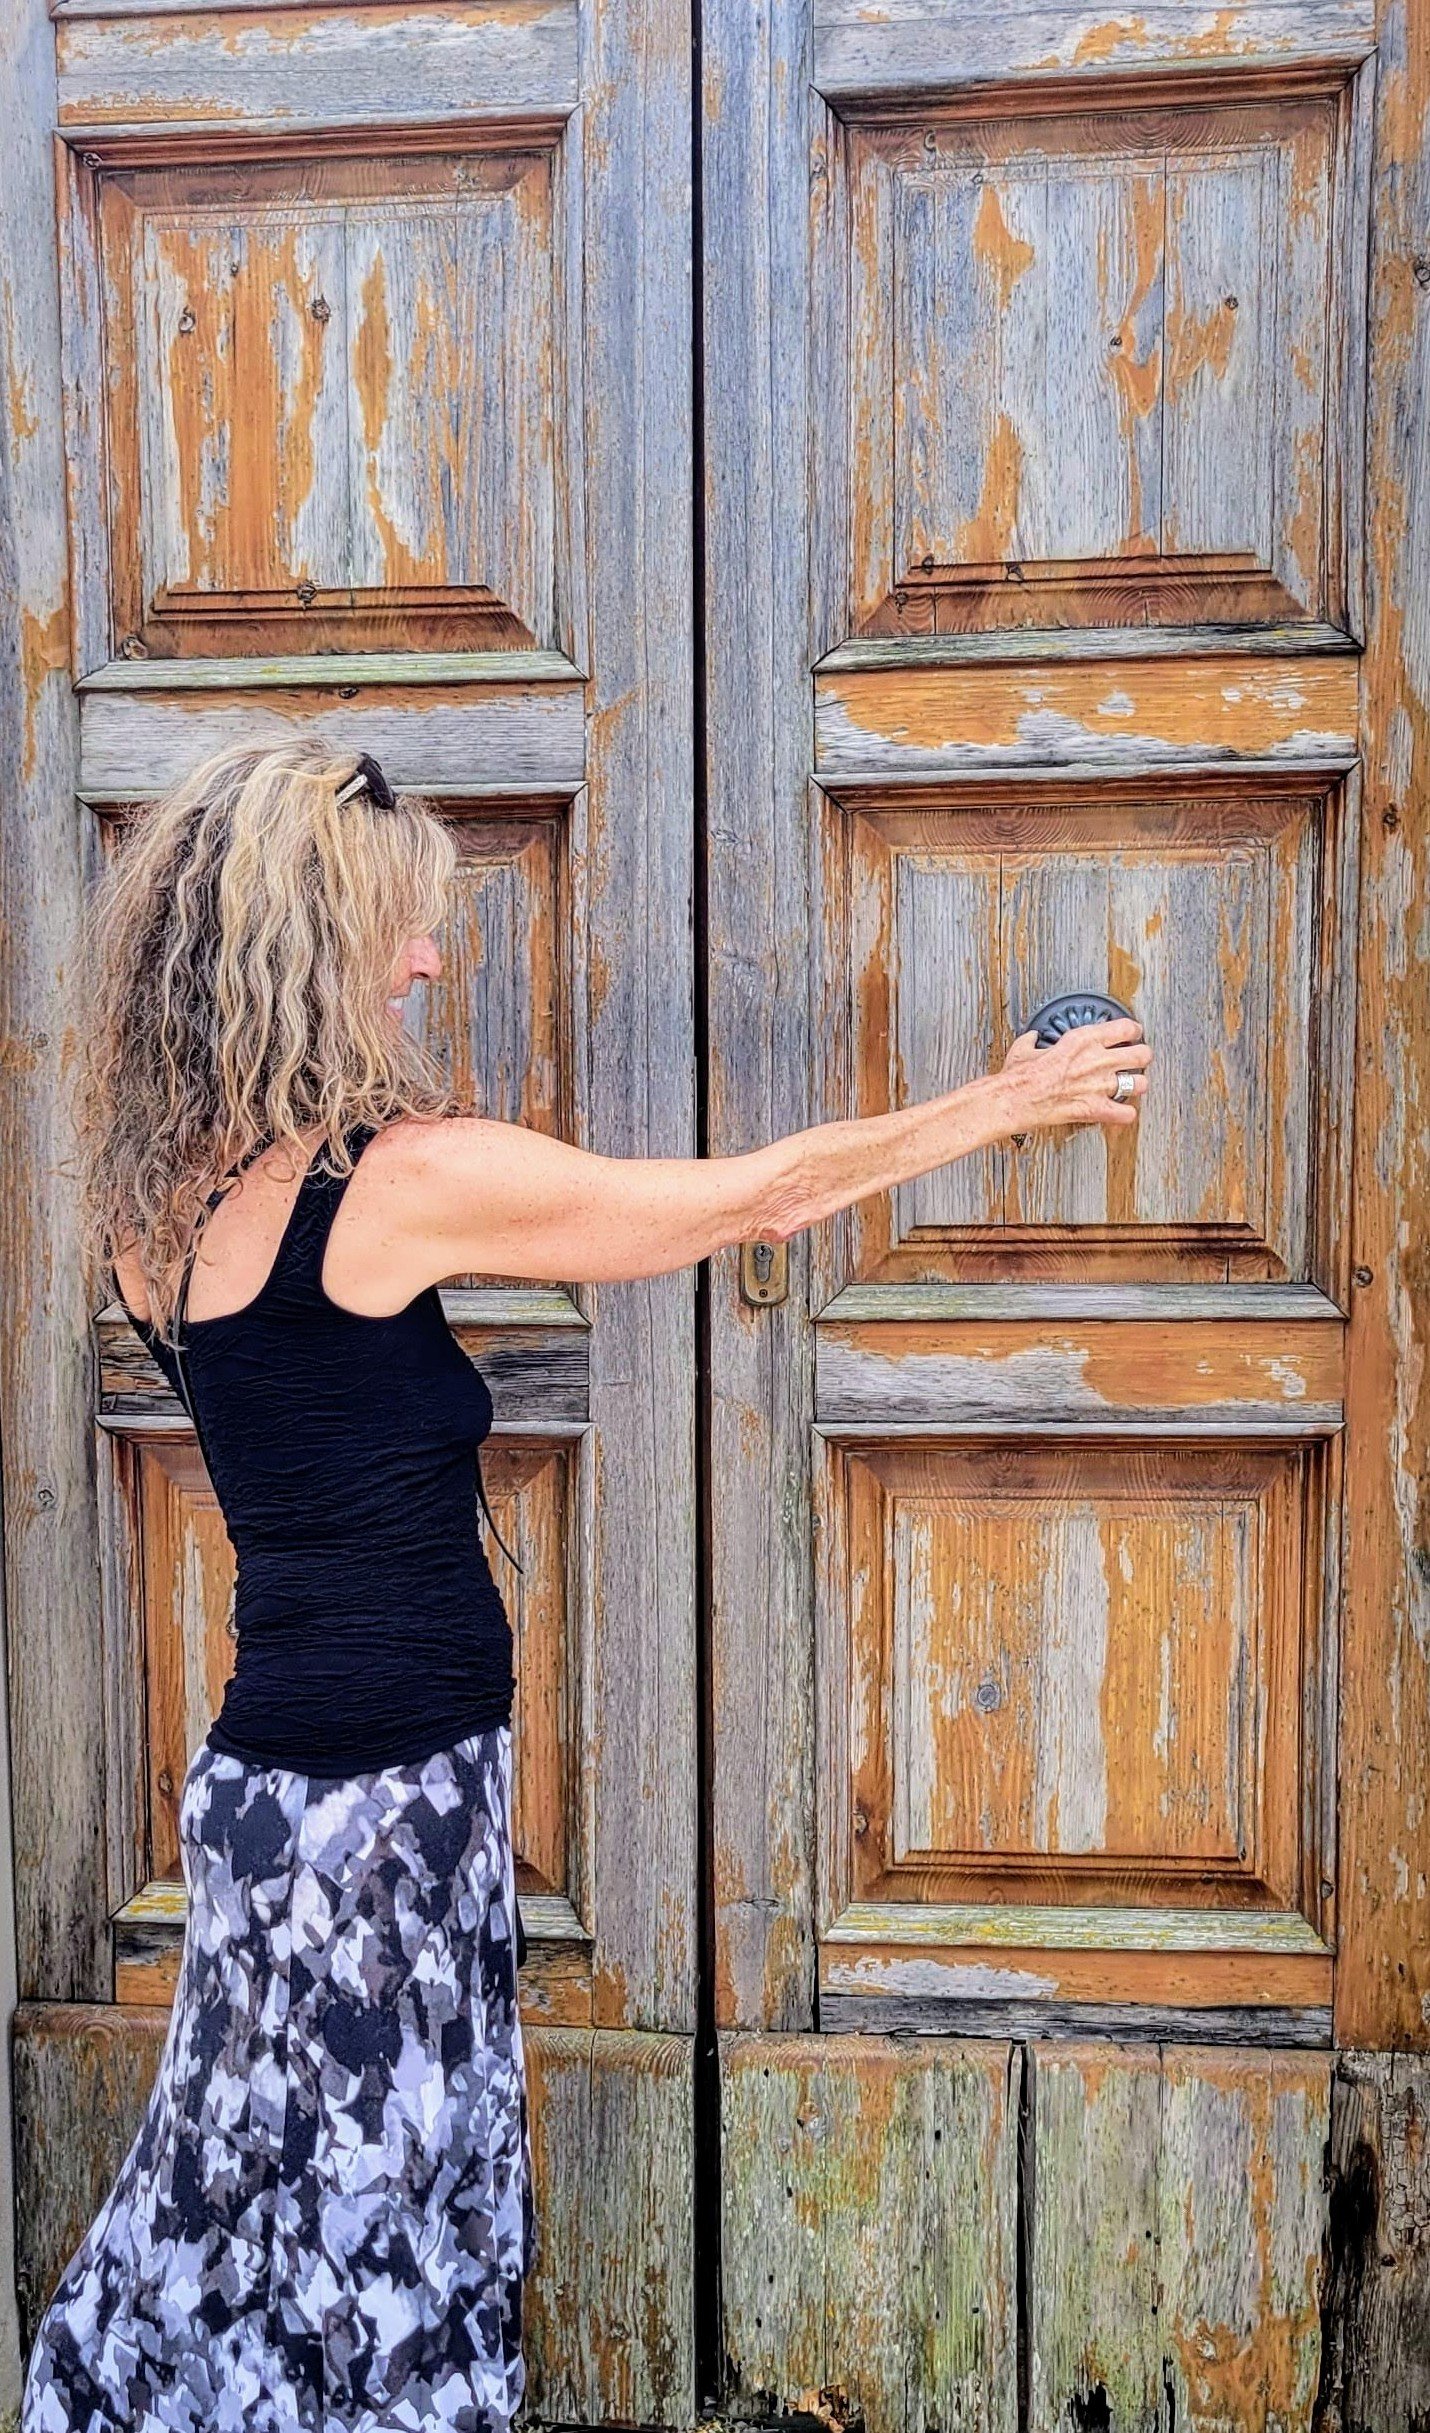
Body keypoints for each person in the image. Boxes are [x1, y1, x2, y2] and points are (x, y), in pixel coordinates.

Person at [22, 735, 1150, 2433]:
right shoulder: (398, 1185)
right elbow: (749, 1199)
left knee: (238, 2186)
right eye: (397, 927)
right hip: (387, 1806)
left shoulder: (160, 1212)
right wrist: (1002, 1103)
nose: (426, 958)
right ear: (309, 943)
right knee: (386, 2216)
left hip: (259, 1802)